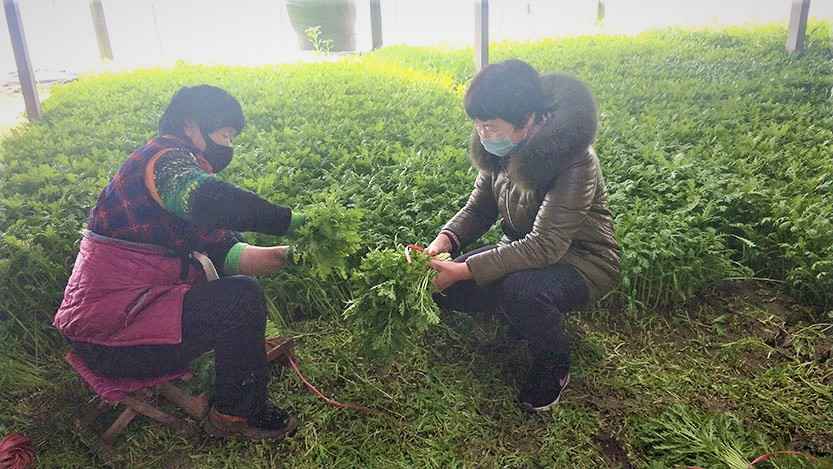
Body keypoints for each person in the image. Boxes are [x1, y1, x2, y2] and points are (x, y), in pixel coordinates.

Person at [53, 85, 304, 440]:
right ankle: (237, 414)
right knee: (239, 299)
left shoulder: (176, 192)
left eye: (233, 138)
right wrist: (289, 220)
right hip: (110, 340)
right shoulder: (162, 161)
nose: (228, 146)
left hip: (128, 321)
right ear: (191, 126)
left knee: (239, 294)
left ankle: (236, 393)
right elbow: (209, 200)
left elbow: (231, 254)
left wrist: (293, 255)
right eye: (223, 134)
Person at [427, 59, 621, 411]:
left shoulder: (576, 161)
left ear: (528, 120)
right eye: (478, 125)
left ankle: (554, 366)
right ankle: (517, 313)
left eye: (490, 126)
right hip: (522, 249)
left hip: (581, 261)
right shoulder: (500, 150)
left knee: (521, 291)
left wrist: (465, 270)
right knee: (448, 290)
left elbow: (547, 246)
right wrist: (442, 245)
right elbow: (478, 210)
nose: (483, 134)